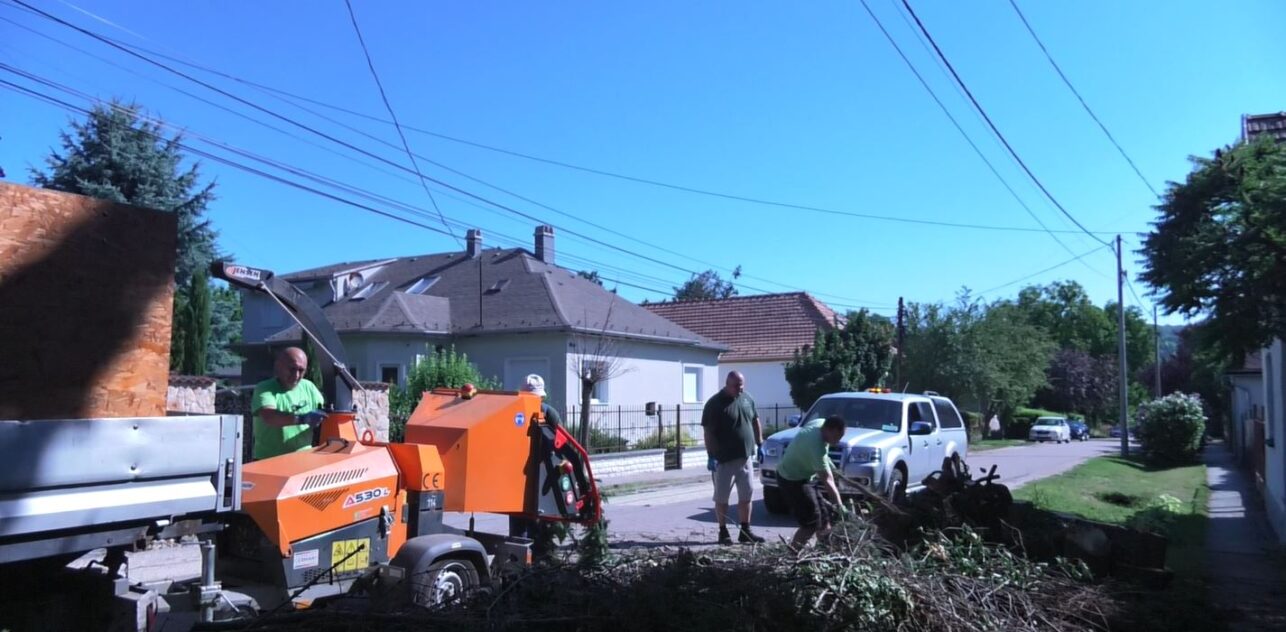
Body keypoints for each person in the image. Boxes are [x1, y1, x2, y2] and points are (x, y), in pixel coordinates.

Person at [702, 371, 765, 545]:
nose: (740, 388)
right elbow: (708, 432)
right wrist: (711, 455)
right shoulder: (715, 404)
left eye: (742, 384)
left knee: (746, 495)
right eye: (737, 385)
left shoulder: (747, 399)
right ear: (727, 384)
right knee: (722, 498)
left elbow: (755, 421)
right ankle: (723, 532)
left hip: (745, 457)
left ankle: (745, 531)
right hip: (723, 460)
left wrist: (760, 443)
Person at [776, 414, 848, 548]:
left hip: (805, 477)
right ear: (829, 430)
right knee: (810, 523)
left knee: (824, 518)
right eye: (837, 437)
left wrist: (832, 466)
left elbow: (823, 456)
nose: (838, 441)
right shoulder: (815, 444)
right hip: (791, 480)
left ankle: (825, 550)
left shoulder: (820, 423)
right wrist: (840, 505)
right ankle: (793, 553)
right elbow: (827, 480)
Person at [251, 347, 327, 460]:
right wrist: (303, 419)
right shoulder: (265, 388)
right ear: (278, 366)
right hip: (269, 460)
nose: (296, 375)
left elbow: (326, 412)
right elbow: (270, 417)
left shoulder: (309, 387)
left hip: (303, 458)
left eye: (301, 370)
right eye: (292, 369)